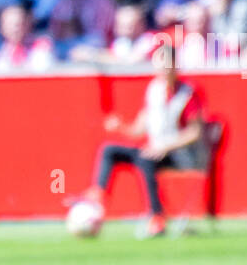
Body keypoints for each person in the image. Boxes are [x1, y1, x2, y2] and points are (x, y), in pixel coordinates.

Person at [82, 44, 207, 239]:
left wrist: (165, 146)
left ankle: (156, 216)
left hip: (181, 155)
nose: (163, 71)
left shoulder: (188, 93)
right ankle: (98, 197)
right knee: (110, 150)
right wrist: (121, 126)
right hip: (155, 151)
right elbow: (139, 129)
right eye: (159, 66)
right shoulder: (154, 90)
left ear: (176, 65)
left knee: (146, 159)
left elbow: (195, 132)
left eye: (167, 65)